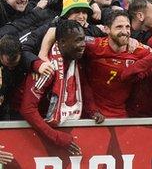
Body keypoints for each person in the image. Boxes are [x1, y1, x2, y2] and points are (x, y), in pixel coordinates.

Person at [20, 19, 104, 153]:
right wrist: (57, 137)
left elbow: (84, 85)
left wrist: (93, 110)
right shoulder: (46, 68)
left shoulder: (75, 61)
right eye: (77, 40)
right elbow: (27, 109)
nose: (83, 45)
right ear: (62, 43)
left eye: (83, 40)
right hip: (31, 137)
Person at [82, 11, 152, 118]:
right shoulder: (95, 46)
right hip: (91, 116)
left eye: (127, 27)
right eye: (119, 27)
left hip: (122, 116)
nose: (125, 32)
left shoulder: (140, 50)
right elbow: (68, 37)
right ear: (106, 29)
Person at [0, 35, 28, 119]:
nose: (11, 68)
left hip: (16, 102)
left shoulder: (26, 59)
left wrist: (35, 67)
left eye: (14, 64)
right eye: (7, 64)